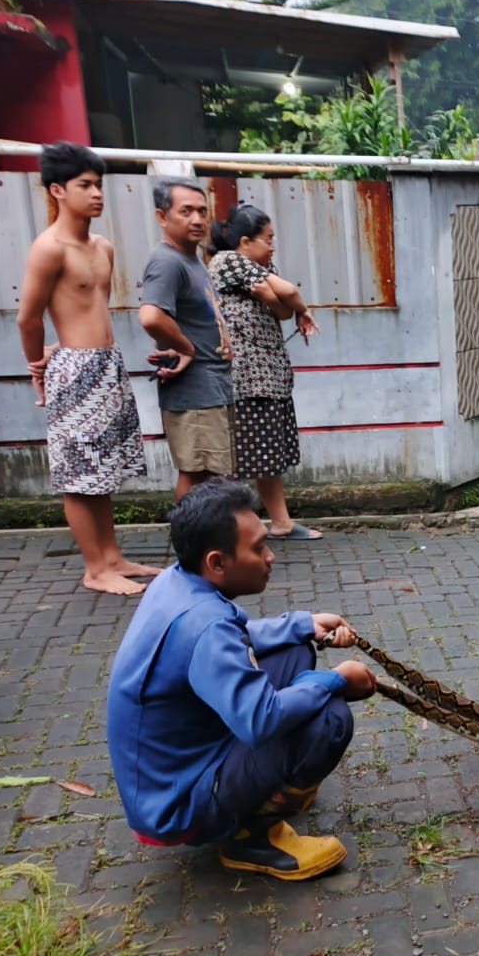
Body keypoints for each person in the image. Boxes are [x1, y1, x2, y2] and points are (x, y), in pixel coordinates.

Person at [106, 480, 378, 880]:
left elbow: (235, 638)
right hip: (179, 805)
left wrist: (302, 624)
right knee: (328, 718)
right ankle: (251, 837)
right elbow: (262, 719)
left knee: (295, 648)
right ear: (216, 562)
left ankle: (273, 790)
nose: (269, 557)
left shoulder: (176, 581)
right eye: (258, 549)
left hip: (175, 769)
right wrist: (336, 681)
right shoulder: (206, 626)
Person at [17, 142, 159, 597]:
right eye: (85, 185)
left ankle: (112, 557)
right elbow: (28, 316)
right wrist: (38, 365)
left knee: (104, 468)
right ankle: (94, 568)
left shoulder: (102, 247)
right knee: (79, 473)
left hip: (106, 364)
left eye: (99, 185)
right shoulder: (49, 248)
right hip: (73, 371)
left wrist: (67, 344)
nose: (96, 194)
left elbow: (84, 308)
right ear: (58, 190)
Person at [208, 203, 322, 540]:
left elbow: (281, 308)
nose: (272, 246)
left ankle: (281, 522)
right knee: (247, 455)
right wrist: (305, 311)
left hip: (268, 376)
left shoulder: (255, 267)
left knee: (268, 454)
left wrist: (287, 306)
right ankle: (230, 526)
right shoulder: (229, 261)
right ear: (245, 241)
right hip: (247, 377)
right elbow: (290, 293)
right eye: (268, 239)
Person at [139, 178, 234, 500]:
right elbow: (151, 316)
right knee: (198, 474)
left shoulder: (191, 259)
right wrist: (186, 347)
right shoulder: (167, 261)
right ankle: (191, 547)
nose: (197, 219)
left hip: (211, 385)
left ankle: (209, 543)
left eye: (202, 211)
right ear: (162, 217)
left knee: (211, 474)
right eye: (186, 211)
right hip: (195, 390)